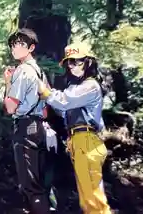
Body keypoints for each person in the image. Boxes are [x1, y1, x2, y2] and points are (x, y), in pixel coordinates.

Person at [36, 42, 112, 214]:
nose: (72, 66)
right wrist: (48, 92)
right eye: (69, 62)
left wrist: (46, 92)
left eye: (77, 61)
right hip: (78, 142)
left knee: (94, 198)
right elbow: (64, 110)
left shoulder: (90, 85)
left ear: (89, 62)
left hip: (87, 141)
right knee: (87, 198)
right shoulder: (75, 88)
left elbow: (65, 101)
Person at [3, 28, 52, 214]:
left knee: (29, 187)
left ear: (31, 47)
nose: (15, 48)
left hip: (25, 128)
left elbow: (10, 107)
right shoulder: (40, 72)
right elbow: (46, 111)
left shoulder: (22, 71)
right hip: (39, 128)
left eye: (20, 44)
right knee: (38, 184)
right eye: (13, 45)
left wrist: (8, 83)